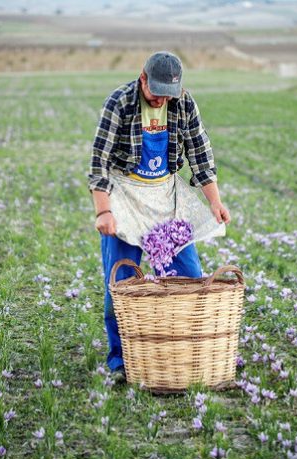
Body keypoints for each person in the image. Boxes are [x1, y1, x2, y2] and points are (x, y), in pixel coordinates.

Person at [88, 51, 230, 380]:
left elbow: (199, 152)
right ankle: (121, 362)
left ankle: (184, 352)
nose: (161, 100)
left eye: (168, 94)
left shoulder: (183, 104)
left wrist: (215, 202)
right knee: (121, 285)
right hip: (125, 197)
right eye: (155, 93)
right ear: (142, 79)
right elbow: (99, 160)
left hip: (165, 196)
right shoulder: (120, 103)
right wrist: (104, 211)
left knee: (190, 277)